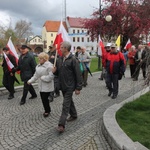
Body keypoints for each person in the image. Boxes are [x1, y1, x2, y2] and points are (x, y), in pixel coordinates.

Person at [52, 41, 82, 133]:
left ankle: (61, 124)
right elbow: (59, 73)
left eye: (61, 47)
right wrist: (55, 71)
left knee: (65, 104)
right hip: (62, 85)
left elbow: (78, 74)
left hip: (70, 86)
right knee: (69, 101)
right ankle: (74, 114)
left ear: (65, 49)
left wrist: (78, 88)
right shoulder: (60, 59)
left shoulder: (73, 59)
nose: (59, 49)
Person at [28, 52, 54, 117]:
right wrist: (30, 81)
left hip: (47, 86)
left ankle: (47, 111)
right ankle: (47, 109)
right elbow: (35, 75)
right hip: (41, 86)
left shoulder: (50, 66)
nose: (39, 60)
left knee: (45, 99)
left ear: (45, 59)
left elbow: (51, 76)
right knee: (43, 99)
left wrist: (43, 78)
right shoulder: (38, 66)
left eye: (40, 58)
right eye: (39, 58)